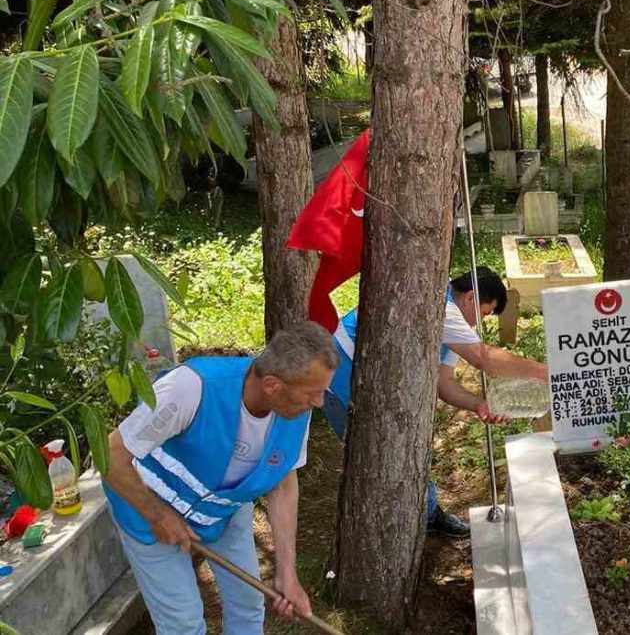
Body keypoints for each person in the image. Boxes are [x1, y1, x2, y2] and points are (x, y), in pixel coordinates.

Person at [103, 322, 338, 635]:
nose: (319, 403)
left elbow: (282, 484)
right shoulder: (189, 388)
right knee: (182, 624)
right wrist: (157, 515)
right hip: (145, 510)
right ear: (272, 385)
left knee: (249, 603)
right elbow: (111, 456)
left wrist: (288, 574)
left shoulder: (297, 409)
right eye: (313, 393)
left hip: (223, 511)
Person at [323, 267, 548, 538]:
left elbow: (444, 383)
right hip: (341, 373)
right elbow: (483, 359)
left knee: (400, 448)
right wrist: (546, 372)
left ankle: (421, 515)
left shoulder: (452, 325)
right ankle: (381, 529)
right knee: (378, 452)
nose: (478, 324)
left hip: (366, 378)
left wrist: (479, 404)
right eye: (484, 313)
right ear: (469, 297)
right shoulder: (438, 304)